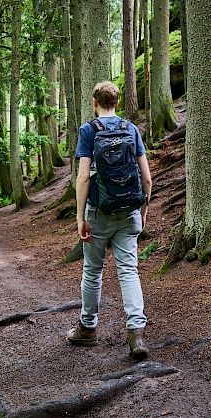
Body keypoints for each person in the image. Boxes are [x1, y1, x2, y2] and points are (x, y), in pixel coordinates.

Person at [67, 81, 152, 362]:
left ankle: (88, 329)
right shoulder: (131, 129)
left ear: (95, 103)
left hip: (98, 212)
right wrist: (143, 209)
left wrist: (80, 218)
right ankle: (136, 333)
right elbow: (147, 177)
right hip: (129, 211)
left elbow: (82, 177)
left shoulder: (89, 130)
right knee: (129, 271)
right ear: (116, 103)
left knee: (93, 271)